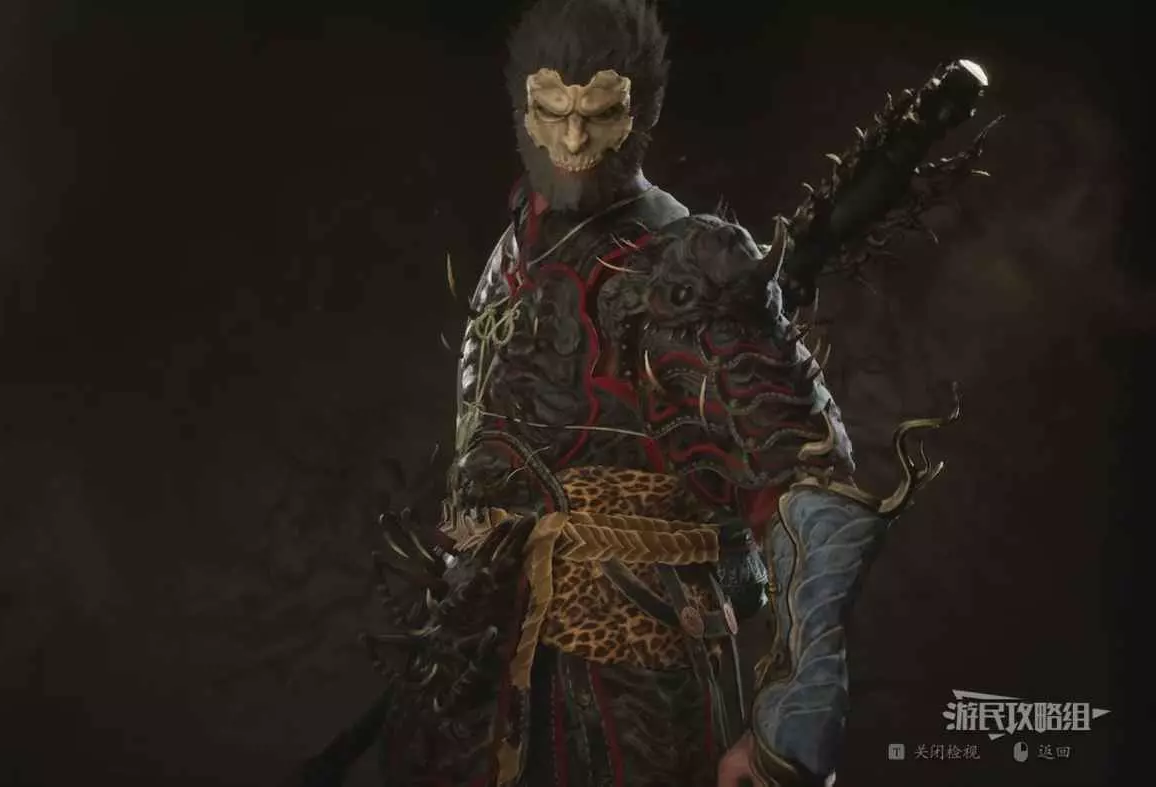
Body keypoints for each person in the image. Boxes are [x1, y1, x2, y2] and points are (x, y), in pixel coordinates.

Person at [358, 2, 980, 785]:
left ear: (641, 112)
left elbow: (809, 490)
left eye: (600, 114)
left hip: (629, 686)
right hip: (477, 678)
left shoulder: (693, 261)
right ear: (522, 108)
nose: (574, 141)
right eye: (552, 112)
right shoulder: (516, 245)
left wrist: (791, 727)